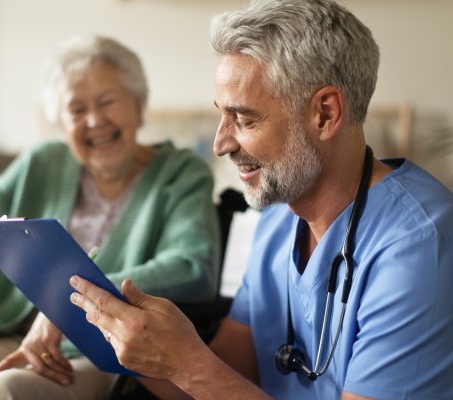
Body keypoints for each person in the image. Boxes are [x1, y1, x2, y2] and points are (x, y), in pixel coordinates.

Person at [70, 1, 453, 399]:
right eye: (222, 115)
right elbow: (209, 384)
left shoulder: (421, 243)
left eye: (245, 119)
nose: (221, 144)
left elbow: (200, 375)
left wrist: (188, 362)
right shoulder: (277, 221)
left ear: (325, 114)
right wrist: (101, 321)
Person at [0, 35, 220, 400]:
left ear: (139, 105)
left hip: (100, 351)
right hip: (9, 336)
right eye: (77, 110)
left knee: (1, 394)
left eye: (108, 102)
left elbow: (192, 267)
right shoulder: (42, 162)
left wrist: (71, 306)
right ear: (61, 123)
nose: (95, 121)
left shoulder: (181, 174)